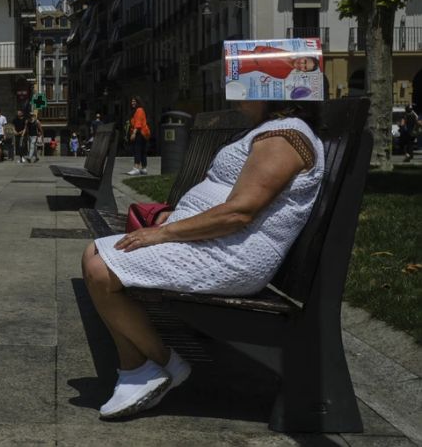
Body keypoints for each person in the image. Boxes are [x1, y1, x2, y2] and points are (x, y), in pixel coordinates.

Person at [80, 100, 324, 419]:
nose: (233, 90)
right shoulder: (273, 131)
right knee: (93, 253)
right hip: (216, 243)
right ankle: (136, 367)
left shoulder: (284, 138)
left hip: (233, 254)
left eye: (244, 80)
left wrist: (163, 233)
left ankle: (166, 363)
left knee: (101, 269)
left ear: (274, 91)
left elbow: (240, 211)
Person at [234, 45, 319, 79]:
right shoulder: (286, 53)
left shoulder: (283, 74)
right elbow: (259, 47)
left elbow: (263, 65)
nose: (301, 65)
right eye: (304, 61)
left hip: (242, 67)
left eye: (305, 67)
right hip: (240, 54)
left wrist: (260, 57)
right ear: (303, 56)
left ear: (304, 71)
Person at [126, 97, 150, 176]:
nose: (132, 103)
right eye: (132, 101)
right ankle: (144, 169)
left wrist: (134, 133)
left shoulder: (139, 110)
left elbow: (138, 123)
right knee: (142, 151)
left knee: (137, 150)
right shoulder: (138, 110)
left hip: (139, 133)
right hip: (143, 133)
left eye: (134, 101)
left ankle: (136, 168)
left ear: (138, 102)